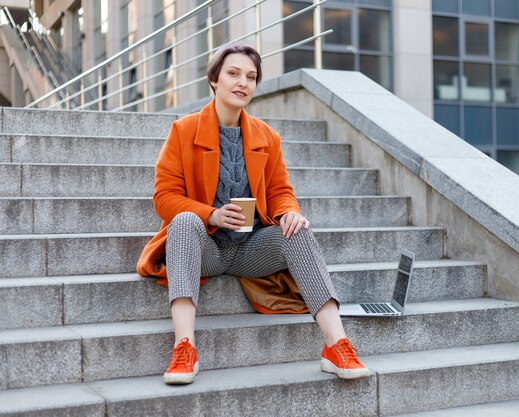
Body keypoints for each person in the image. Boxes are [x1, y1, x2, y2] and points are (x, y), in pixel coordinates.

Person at [136, 45, 369, 385]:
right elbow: (164, 197)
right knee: (184, 221)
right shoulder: (183, 131)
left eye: (251, 76)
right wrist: (211, 215)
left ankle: (337, 346)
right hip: (206, 249)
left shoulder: (266, 137)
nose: (242, 82)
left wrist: (289, 212)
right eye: (233, 73)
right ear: (214, 80)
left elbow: (280, 192)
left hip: (250, 251)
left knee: (297, 229)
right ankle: (184, 347)